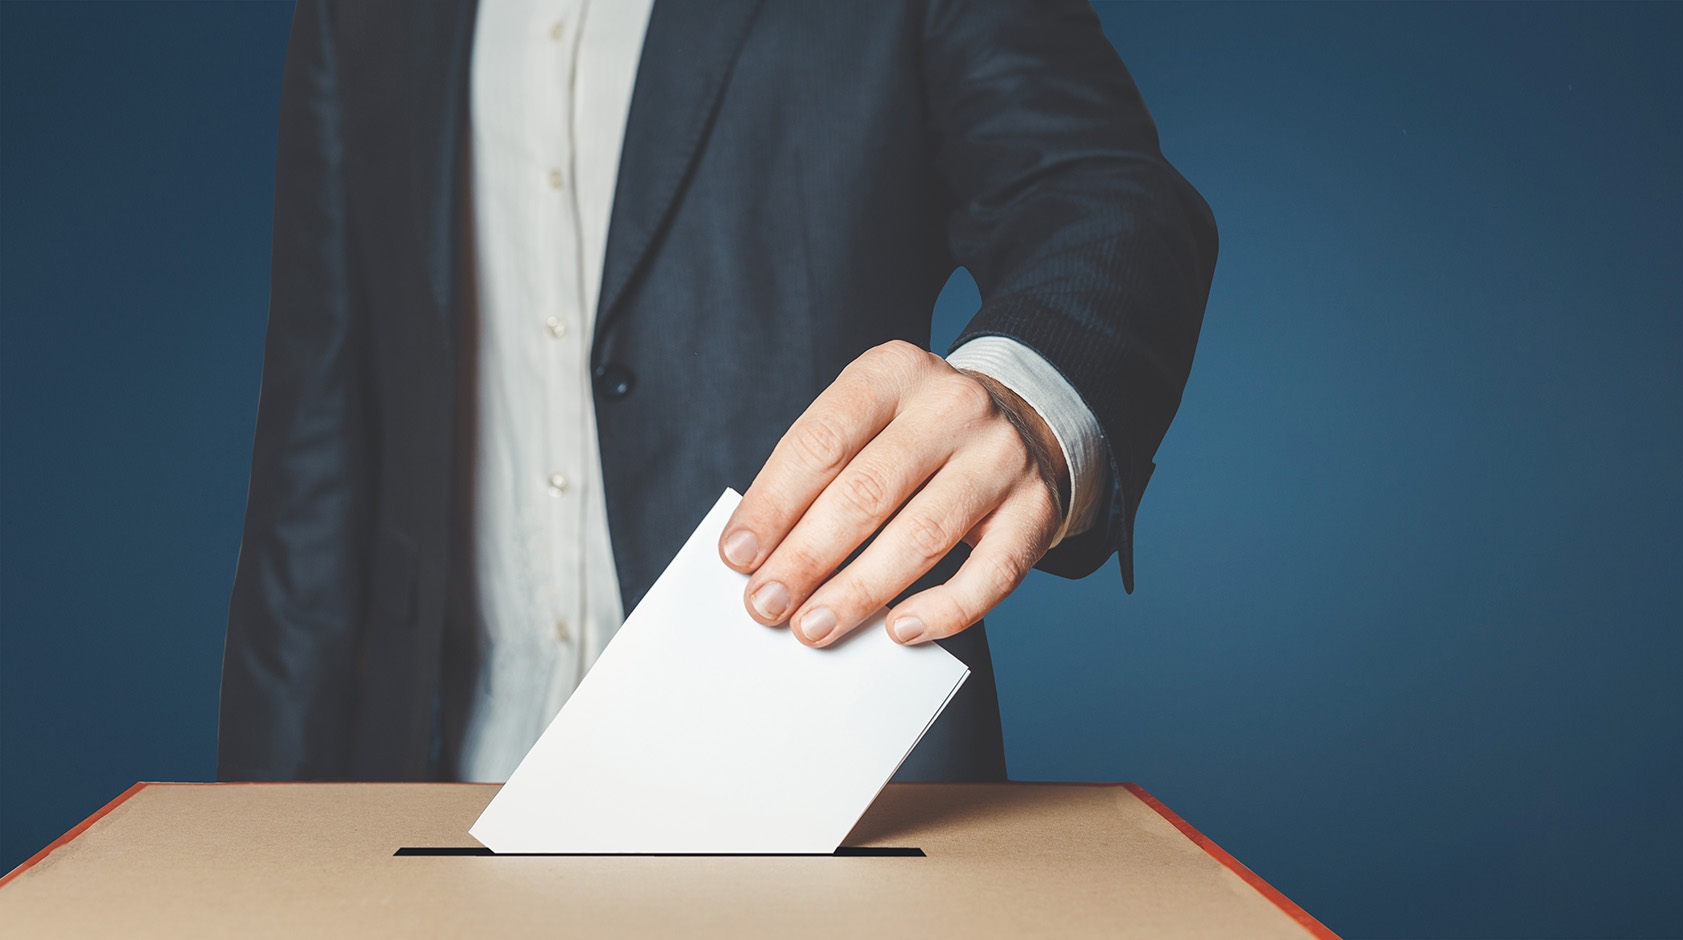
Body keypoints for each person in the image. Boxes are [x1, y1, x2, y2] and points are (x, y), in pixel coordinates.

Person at [218, 0, 1215, 784]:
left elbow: (1100, 193)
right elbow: (321, 429)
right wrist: (258, 848)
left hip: (829, 787)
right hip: (435, 790)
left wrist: (1026, 391)